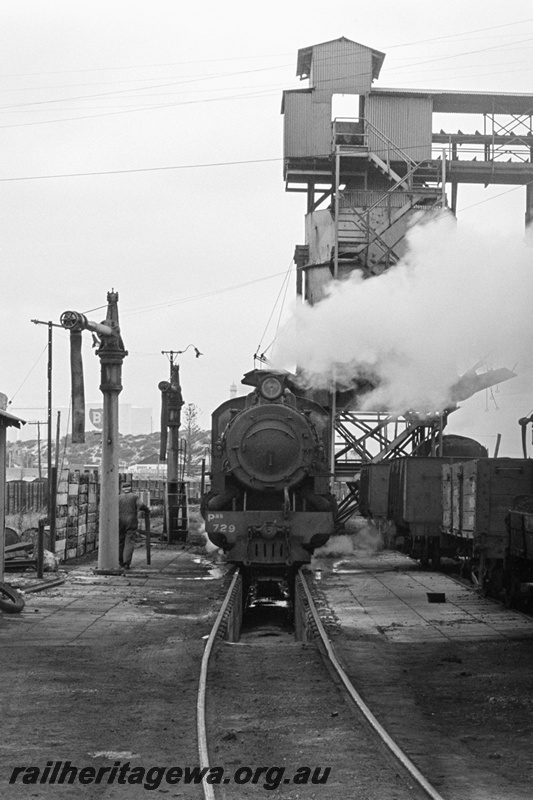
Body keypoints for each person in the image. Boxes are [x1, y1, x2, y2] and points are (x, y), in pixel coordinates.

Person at [119, 484, 150, 569]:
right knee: (129, 541)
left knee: (120, 541)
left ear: (122, 489)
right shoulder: (134, 497)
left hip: (119, 521)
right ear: (130, 489)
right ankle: (126, 563)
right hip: (131, 521)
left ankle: (120, 561)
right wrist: (147, 510)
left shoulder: (118, 498)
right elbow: (141, 506)